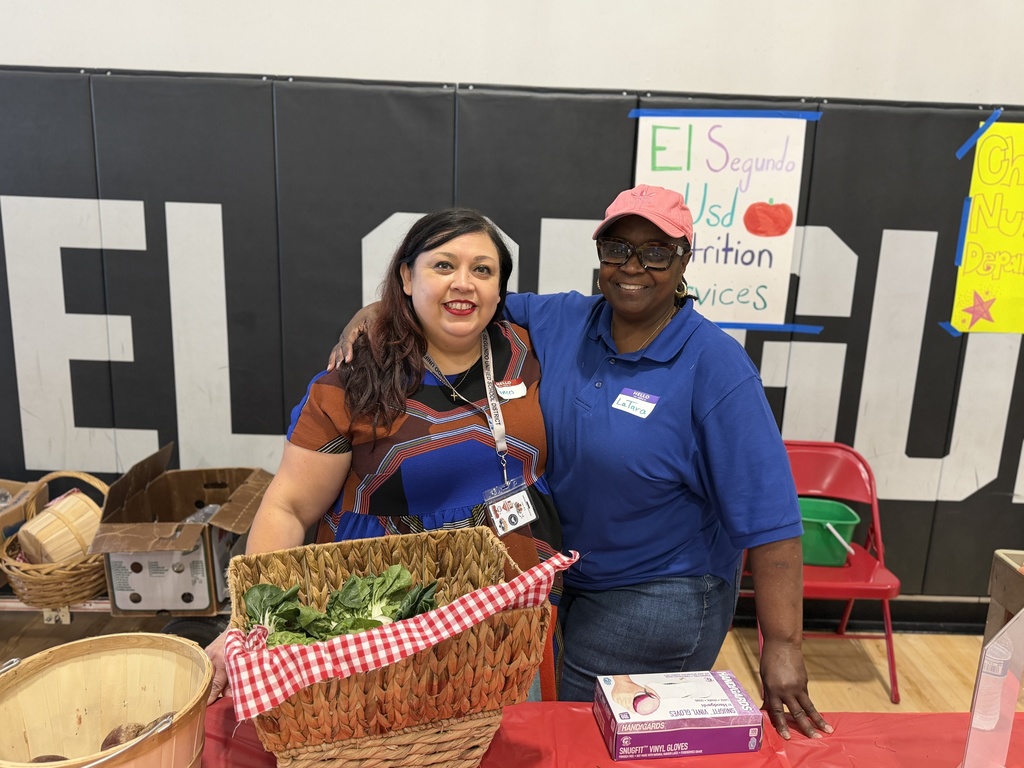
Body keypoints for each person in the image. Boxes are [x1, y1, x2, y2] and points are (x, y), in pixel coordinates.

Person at [329, 185, 832, 740]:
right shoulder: (565, 319)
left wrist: (782, 646)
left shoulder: (715, 367)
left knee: (575, 734)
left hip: (658, 592)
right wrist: (380, 308)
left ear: (684, 258)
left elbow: (773, 519)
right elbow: (462, 301)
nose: (632, 267)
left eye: (656, 251)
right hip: (567, 578)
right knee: (549, 727)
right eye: (617, 249)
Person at [204, 207, 562, 703]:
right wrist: (250, 622)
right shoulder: (352, 379)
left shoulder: (535, 349)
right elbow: (289, 507)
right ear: (405, 276)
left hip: (513, 606)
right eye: (443, 266)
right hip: (387, 618)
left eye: (482, 270)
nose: (464, 283)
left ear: (500, 289)